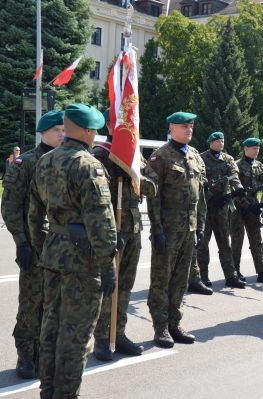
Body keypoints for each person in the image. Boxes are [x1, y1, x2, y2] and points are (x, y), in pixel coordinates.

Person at [28, 104, 117, 399]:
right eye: (94, 131)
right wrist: (108, 265)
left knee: (50, 329)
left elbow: (34, 214)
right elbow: (101, 220)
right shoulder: (87, 165)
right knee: (76, 337)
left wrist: (46, 248)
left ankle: (48, 391)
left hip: (54, 255)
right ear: (88, 131)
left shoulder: (45, 161)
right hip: (83, 260)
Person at [1, 111, 64, 379]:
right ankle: (26, 354)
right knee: (31, 303)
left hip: (61, 249)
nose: (63, 134)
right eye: (57, 130)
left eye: (65, 130)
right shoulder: (24, 163)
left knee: (55, 305)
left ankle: (46, 353)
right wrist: (21, 243)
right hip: (35, 247)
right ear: (43, 132)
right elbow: (10, 206)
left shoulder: (66, 161)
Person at [92, 110, 158, 361]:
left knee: (126, 287)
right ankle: (101, 339)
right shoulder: (100, 155)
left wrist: (133, 174)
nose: (124, 126)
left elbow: (152, 188)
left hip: (133, 230)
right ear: (109, 124)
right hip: (112, 232)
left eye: (128, 123)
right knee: (108, 287)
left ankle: (118, 333)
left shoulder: (133, 154)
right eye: (118, 122)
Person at [146, 111, 207, 348]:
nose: (189, 129)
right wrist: (157, 229)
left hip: (189, 230)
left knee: (181, 280)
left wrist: (200, 226)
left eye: (191, 126)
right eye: (184, 126)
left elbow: (201, 196)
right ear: (172, 127)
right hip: (168, 230)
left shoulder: (195, 156)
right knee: (162, 280)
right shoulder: (160, 157)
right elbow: (154, 198)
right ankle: (160, 328)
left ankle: (175, 323)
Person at [190, 131, 246, 289]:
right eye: (218, 141)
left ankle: (231, 276)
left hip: (222, 207)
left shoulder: (228, 159)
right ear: (211, 143)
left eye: (222, 141)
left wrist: (238, 188)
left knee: (224, 243)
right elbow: (200, 179)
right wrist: (209, 196)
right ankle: (203, 276)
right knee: (202, 244)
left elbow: (234, 175)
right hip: (206, 207)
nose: (221, 143)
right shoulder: (201, 158)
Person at [229, 137, 263, 284]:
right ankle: (235, 271)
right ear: (246, 149)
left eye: (258, 148)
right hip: (239, 209)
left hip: (254, 208)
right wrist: (247, 204)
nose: (257, 151)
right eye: (254, 148)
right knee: (237, 241)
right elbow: (234, 187)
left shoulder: (259, 165)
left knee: (256, 241)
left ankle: (262, 271)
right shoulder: (236, 165)